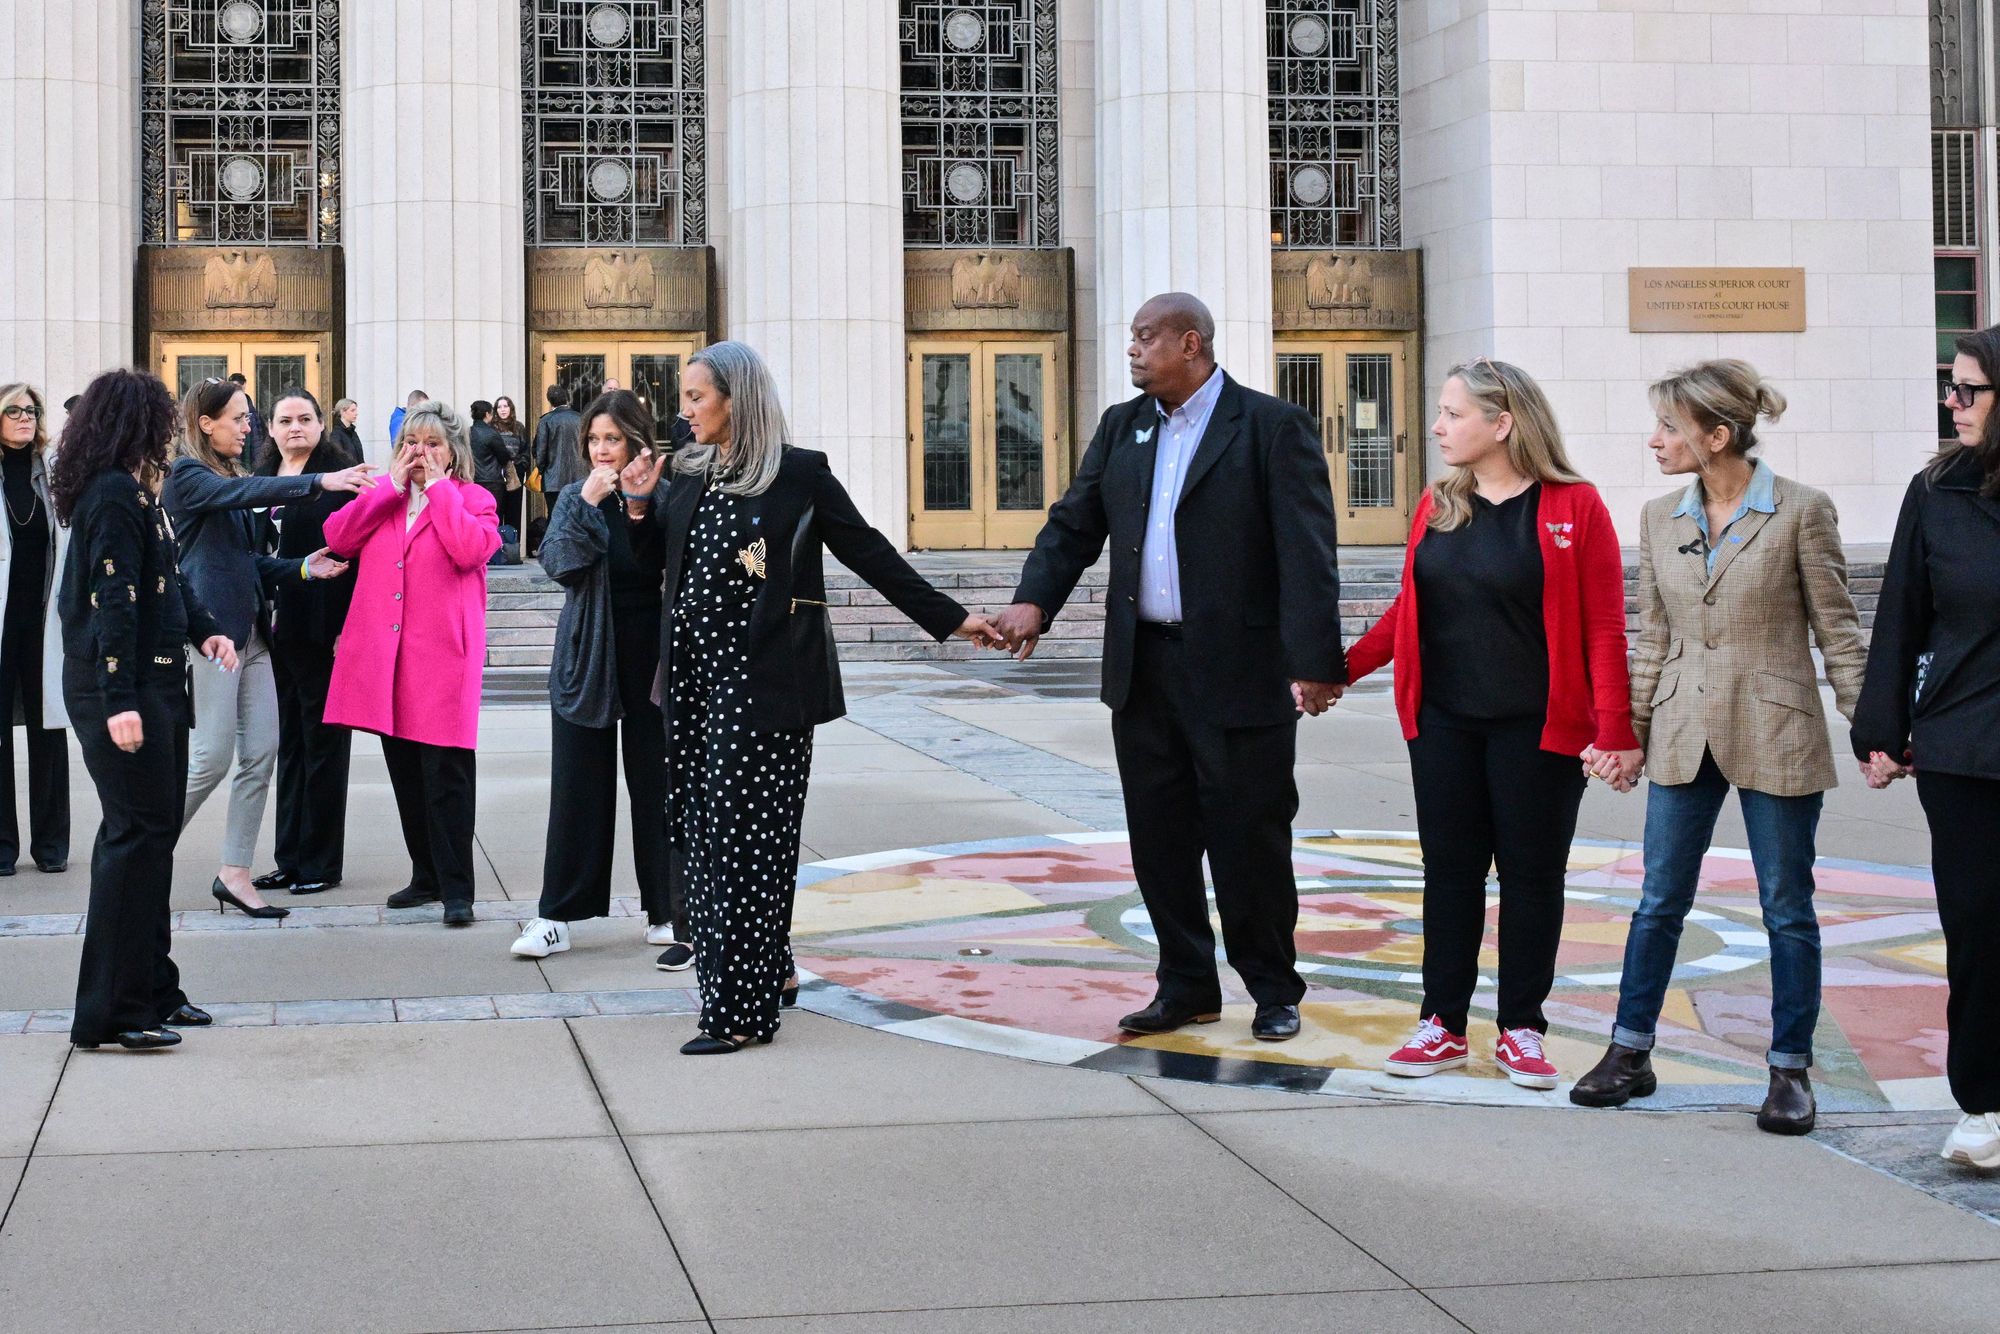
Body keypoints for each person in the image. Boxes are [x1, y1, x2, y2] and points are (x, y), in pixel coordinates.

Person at [620, 341, 1001, 1053]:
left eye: (697, 396)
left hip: (767, 689)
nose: (685, 409)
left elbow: (871, 551)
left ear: (738, 399)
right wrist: (638, 508)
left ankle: (739, 1014)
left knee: (749, 844)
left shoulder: (798, 476)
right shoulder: (689, 471)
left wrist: (951, 618)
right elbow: (656, 571)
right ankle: (774, 972)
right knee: (703, 839)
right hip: (695, 686)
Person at [992, 293, 1347, 1045]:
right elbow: (1074, 523)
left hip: (1239, 671)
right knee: (1160, 839)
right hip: (1144, 669)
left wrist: (1316, 662)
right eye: (1131, 338)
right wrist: (1034, 602)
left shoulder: (1269, 428)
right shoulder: (1125, 427)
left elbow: (1307, 555)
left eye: (1146, 338)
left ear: (1191, 344)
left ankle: (1273, 987)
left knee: (1248, 838)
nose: (1133, 350)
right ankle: (1186, 985)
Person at [1568, 361, 1866, 1134]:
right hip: (1680, 732)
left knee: (1787, 910)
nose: (1654, 441)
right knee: (1658, 901)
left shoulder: (1802, 512)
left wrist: (1872, 728)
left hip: (1777, 730)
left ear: (1717, 436)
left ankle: (1790, 1071)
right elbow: (1655, 638)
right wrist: (1625, 735)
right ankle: (1629, 1052)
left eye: (1669, 428)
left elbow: (1838, 630)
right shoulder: (1659, 517)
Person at [1344, 358, 1635, 1090]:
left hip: (1537, 729)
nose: (1437, 426)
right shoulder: (1439, 504)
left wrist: (1615, 730)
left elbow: (1604, 629)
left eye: (1452, 414)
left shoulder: (1576, 507)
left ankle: (1522, 1029)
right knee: (1449, 873)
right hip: (1442, 722)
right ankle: (1440, 1023)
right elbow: (1409, 612)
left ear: (1502, 424)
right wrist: (1338, 670)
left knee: (1532, 878)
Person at [51, 369, 240, 1050]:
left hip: (156, 685)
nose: (167, 430)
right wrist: (119, 703)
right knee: (133, 842)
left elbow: (170, 578)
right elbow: (114, 603)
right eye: (158, 419)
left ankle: (154, 987)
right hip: (125, 692)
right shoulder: (111, 496)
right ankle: (116, 1010)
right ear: (134, 422)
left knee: (149, 841)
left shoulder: (138, 492)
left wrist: (205, 628)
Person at [1851, 325, 2000, 1170]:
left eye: (1969, 389)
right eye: (1951, 386)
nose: (1952, 402)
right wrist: (1882, 730)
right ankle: (1984, 1102)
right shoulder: (1938, 489)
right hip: (1965, 751)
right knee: (1979, 931)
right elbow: (1900, 616)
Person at [164, 380, 371, 919]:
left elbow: (247, 563)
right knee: (211, 759)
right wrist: (321, 478)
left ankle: (234, 872)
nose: (248, 426)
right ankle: (143, 849)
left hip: (256, 635)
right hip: (215, 635)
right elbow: (252, 493)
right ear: (206, 424)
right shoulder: (190, 476)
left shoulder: (230, 477)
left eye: (250, 417)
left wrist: (305, 567)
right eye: (239, 417)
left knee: (260, 755)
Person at [510, 390, 688, 963]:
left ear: (638, 440)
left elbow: (660, 561)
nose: (603, 450)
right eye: (594, 439)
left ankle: (667, 910)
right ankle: (557, 916)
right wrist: (586, 505)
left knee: (657, 784)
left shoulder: (665, 492)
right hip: (590, 653)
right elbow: (559, 564)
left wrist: (636, 507)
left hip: (651, 657)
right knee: (577, 786)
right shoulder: (575, 497)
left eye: (613, 438)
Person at [323, 399, 500, 926]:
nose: (418, 452)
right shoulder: (385, 500)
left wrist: (440, 489)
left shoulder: (475, 499)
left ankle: (456, 888)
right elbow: (338, 538)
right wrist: (388, 489)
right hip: (388, 658)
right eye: (409, 443)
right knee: (405, 773)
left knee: (446, 774)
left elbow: (470, 550)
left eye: (431, 443)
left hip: (444, 655)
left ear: (453, 452)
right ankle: (425, 875)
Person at [251, 389, 362, 898]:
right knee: (289, 745)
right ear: (269, 429)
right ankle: (289, 858)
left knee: (323, 745)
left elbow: (355, 561)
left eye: (304, 419)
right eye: (284, 420)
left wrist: (346, 626)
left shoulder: (339, 485)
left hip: (321, 630)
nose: (294, 427)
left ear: (322, 426)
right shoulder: (258, 483)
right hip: (271, 632)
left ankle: (320, 861)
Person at [0, 384, 69, 875]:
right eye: (13, 411)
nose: (25, 418)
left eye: (31, 410)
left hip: (43, 618)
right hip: (1, 622)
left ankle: (51, 845)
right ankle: (3, 846)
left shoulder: (51, 472)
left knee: (49, 729)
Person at [534, 383, 584, 494]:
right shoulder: (580, 418)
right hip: (578, 478)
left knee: (554, 511)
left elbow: (540, 452)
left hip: (553, 479)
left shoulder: (546, 420)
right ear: (566, 399)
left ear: (550, 401)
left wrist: (541, 470)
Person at [469, 399, 514, 519]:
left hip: (472, 480)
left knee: (475, 517)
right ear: (487, 414)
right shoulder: (491, 434)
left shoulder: (467, 433)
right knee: (493, 518)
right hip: (492, 482)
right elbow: (504, 457)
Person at [226, 373, 268, 455]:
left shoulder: (251, 410)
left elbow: (257, 438)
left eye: (238, 386)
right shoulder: (226, 406)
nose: (236, 390)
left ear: (244, 385)